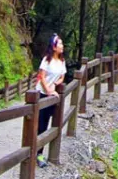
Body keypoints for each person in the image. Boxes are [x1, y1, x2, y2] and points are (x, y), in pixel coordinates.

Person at [35, 33, 66, 168]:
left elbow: (62, 77)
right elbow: (41, 77)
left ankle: (38, 151)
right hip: (41, 94)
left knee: (47, 124)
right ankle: (37, 154)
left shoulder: (62, 61)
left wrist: (55, 85)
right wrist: (48, 90)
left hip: (52, 94)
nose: (62, 46)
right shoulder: (46, 60)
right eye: (59, 44)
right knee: (40, 125)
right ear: (54, 47)